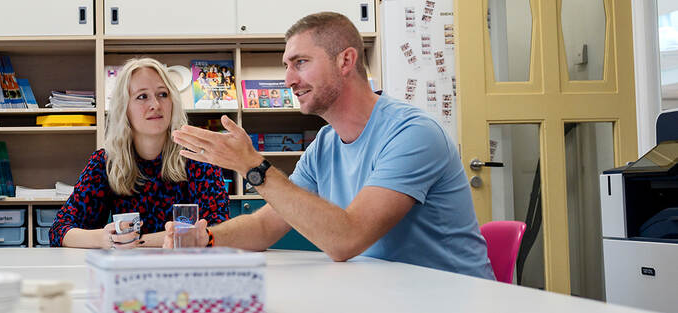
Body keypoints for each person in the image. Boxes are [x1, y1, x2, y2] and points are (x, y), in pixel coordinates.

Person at [167, 12, 494, 279]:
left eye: (300, 62)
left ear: (346, 60)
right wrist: (206, 238)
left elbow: (346, 240)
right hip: (385, 292)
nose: (288, 80)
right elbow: (265, 224)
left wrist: (253, 168)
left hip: (451, 298)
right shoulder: (325, 144)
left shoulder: (412, 133)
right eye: (286, 66)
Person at [51, 58, 229, 249]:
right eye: (142, 97)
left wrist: (136, 242)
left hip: (186, 270)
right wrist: (106, 238)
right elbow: (60, 230)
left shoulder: (198, 158)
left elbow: (220, 230)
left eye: (162, 94)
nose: (156, 105)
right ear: (124, 108)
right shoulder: (105, 162)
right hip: (127, 272)